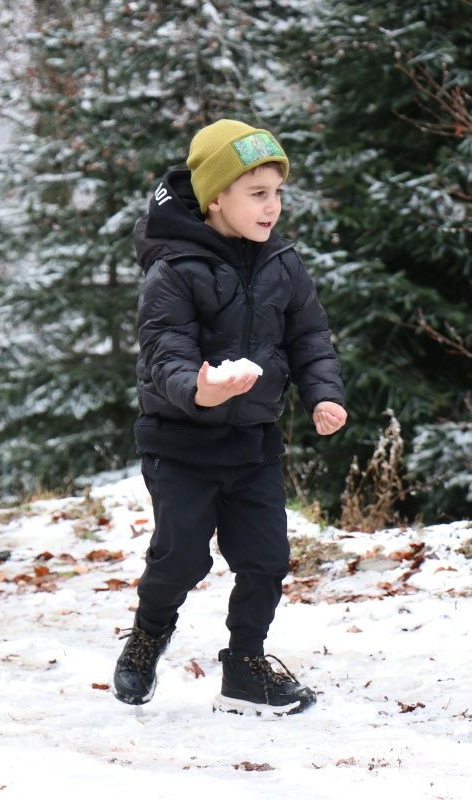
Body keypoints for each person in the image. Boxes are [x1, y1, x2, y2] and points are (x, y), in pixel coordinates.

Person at [113, 118, 347, 717]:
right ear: (216, 197)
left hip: (253, 442)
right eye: (257, 193)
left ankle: (245, 666)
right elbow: (163, 347)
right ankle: (147, 636)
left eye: (277, 192)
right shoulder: (175, 267)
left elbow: (311, 338)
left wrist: (323, 394)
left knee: (266, 559)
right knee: (181, 558)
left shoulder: (284, 264)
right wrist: (201, 388)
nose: (273, 207)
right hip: (180, 441)